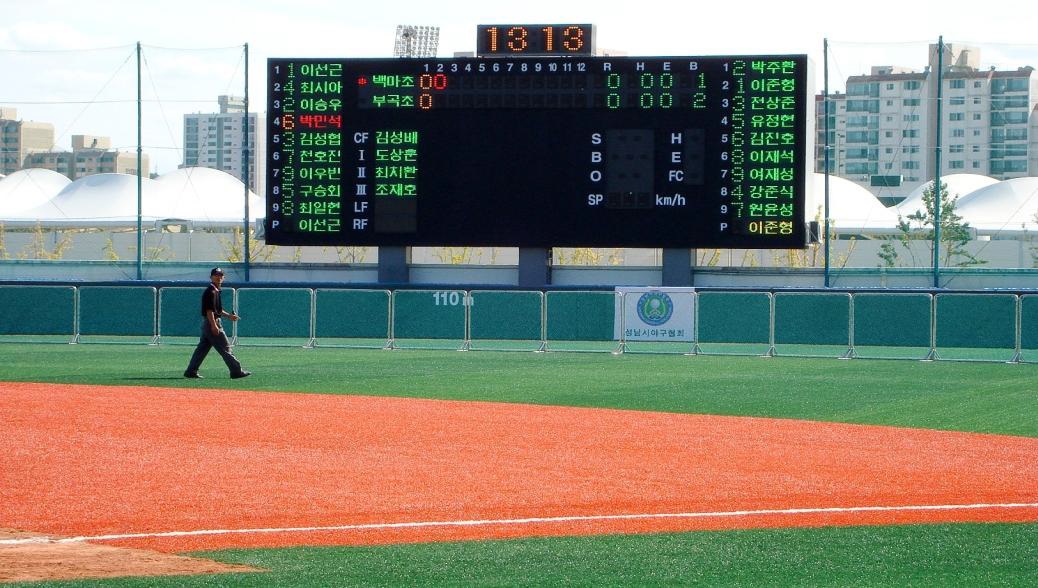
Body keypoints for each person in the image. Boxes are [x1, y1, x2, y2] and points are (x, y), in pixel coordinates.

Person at [184, 267, 251, 379]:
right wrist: (214, 325)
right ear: (211, 277)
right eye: (216, 275)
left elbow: (217, 310)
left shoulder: (215, 290)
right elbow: (209, 310)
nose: (218, 277)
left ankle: (191, 371)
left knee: (202, 348)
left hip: (209, 323)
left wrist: (229, 316)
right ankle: (236, 371)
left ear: (223, 277)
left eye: (220, 275)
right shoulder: (211, 291)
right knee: (225, 348)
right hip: (212, 322)